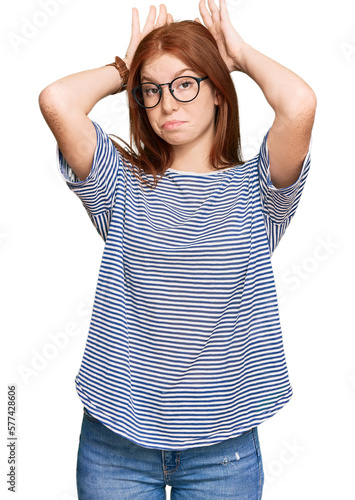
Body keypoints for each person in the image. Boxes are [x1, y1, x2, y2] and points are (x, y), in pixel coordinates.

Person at [38, 0, 316, 498]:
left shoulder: (257, 192)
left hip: (222, 451)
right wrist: (124, 67)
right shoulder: (118, 184)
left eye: (186, 83)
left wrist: (239, 54)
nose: (168, 103)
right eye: (152, 90)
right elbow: (57, 100)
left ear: (217, 92)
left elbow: (299, 104)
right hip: (114, 445)